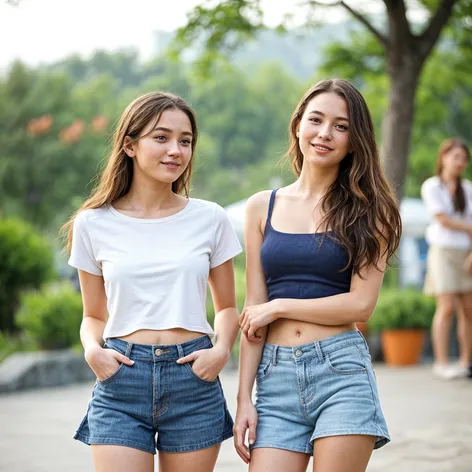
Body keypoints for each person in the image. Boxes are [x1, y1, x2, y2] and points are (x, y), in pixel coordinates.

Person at [62, 91, 242, 472]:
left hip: (193, 377)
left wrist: (221, 351)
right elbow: (93, 315)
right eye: (161, 137)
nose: (175, 150)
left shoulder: (210, 219)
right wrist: (92, 351)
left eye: (185, 140)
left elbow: (227, 307)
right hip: (122, 379)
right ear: (129, 145)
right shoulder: (93, 223)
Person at [233, 78, 402, 472]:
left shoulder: (370, 210)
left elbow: (361, 305)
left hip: (340, 373)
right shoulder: (261, 207)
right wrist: (244, 398)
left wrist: (279, 306)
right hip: (274, 382)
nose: (325, 133)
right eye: (316, 120)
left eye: (341, 126)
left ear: (354, 139)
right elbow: (252, 313)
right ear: (297, 125)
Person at [421, 138, 472, 380]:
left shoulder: (469, 189)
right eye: (456, 157)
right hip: (442, 251)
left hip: (466, 252)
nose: (460, 162)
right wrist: (469, 229)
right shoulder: (432, 186)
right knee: (447, 306)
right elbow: (441, 218)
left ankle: (465, 362)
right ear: (443, 158)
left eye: (463, 158)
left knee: (468, 309)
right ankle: (441, 363)